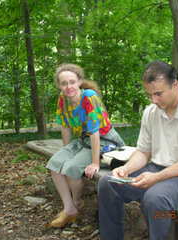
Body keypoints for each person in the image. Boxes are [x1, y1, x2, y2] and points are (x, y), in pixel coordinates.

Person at [98, 60, 178, 240]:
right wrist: (127, 169)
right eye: (149, 95)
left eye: (158, 94)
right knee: (108, 183)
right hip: (155, 169)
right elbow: (144, 152)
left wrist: (156, 178)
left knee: (155, 198)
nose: (154, 100)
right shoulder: (151, 112)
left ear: (175, 85)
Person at [46, 63, 125, 228]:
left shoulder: (89, 97)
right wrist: (67, 150)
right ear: (59, 85)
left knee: (71, 169)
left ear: (80, 81)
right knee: (54, 164)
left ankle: (75, 203)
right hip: (83, 140)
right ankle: (69, 208)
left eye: (72, 82)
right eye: (64, 83)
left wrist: (95, 163)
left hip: (104, 141)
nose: (68, 87)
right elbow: (65, 126)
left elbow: (95, 132)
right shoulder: (63, 99)